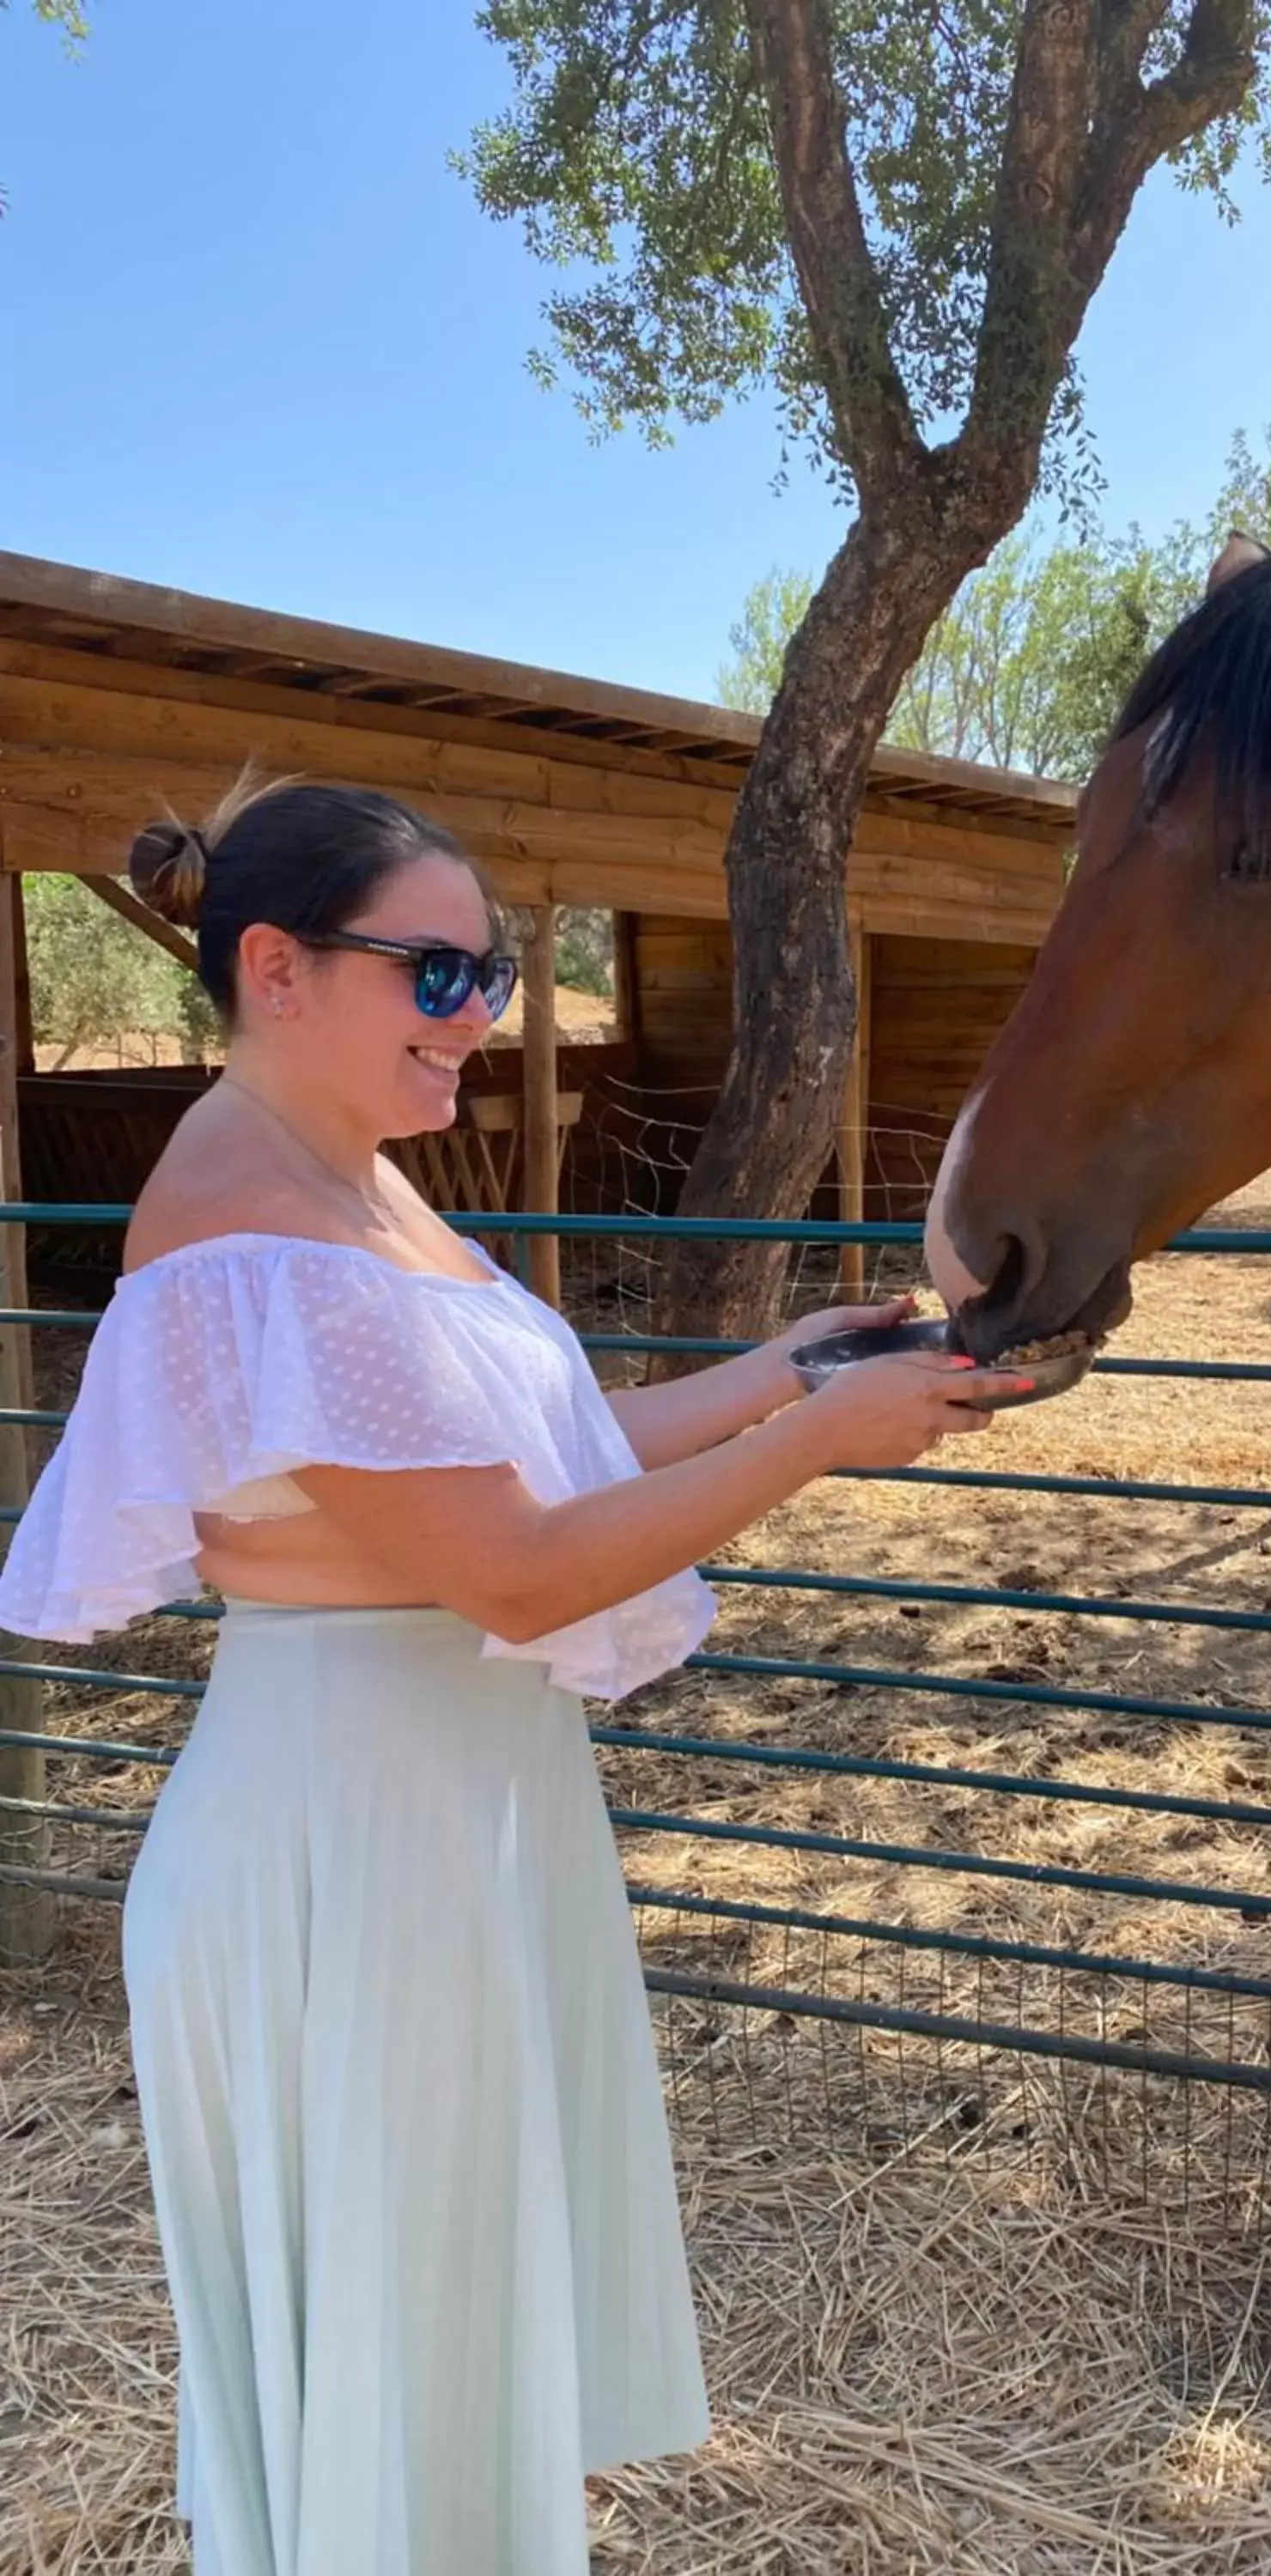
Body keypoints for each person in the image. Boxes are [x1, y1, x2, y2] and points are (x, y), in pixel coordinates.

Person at [0, 770, 1024, 2575]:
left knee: (448, 2338)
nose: (485, 1018)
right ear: (280, 969)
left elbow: (548, 1451)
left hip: (439, 1812)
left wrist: (787, 1372)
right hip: (357, 1840)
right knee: (402, 2358)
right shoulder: (260, 1231)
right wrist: (821, 1445)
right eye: (444, 977)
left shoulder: (357, 1192)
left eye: (495, 976)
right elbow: (523, 1564)